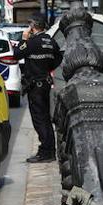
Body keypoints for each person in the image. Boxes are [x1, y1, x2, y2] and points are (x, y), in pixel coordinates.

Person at [14, 13, 61, 162]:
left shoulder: (32, 42)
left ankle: (46, 152)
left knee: (39, 119)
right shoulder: (51, 42)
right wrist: (45, 69)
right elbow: (57, 60)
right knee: (46, 118)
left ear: (33, 27)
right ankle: (50, 150)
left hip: (35, 86)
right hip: (45, 82)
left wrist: (23, 38)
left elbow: (17, 54)